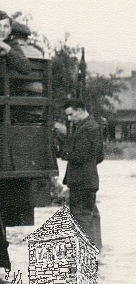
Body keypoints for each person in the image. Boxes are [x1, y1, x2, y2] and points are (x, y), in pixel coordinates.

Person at [54, 99, 104, 249]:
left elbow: (79, 156)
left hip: (80, 182)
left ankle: (86, 256)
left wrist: (61, 152)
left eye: (71, 114)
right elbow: (100, 156)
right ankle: (96, 252)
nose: (69, 119)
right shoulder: (94, 126)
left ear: (80, 110)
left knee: (80, 218)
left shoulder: (85, 129)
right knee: (91, 216)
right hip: (90, 181)